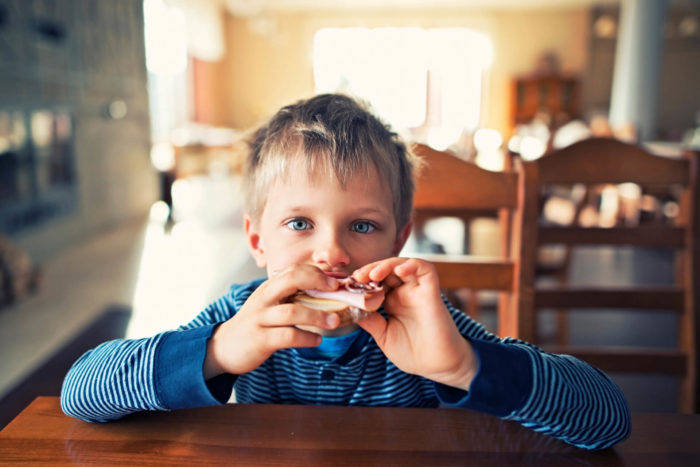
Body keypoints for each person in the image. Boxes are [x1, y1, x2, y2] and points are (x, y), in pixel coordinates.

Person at [61, 93, 630, 450]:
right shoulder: (242, 319)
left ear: (398, 239)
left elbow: (608, 421)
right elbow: (80, 392)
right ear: (257, 241)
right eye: (300, 224)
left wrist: (464, 365)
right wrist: (218, 352)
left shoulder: (426, 331)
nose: (330, 254)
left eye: (361, 226)